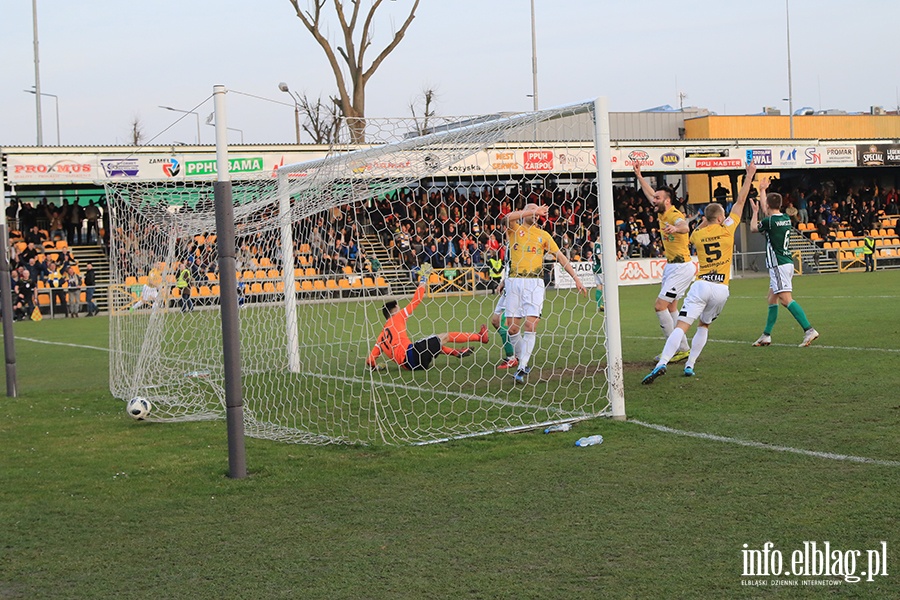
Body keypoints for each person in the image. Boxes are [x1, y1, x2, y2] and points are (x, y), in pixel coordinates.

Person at [642, 162, 757, 384]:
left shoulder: (697, 235)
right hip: (722, 289)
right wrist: (749, 175)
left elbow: (696, 227)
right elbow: (740, 201)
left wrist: (700, 220)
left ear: (705, 218)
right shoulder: (728, 229)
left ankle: (663, 362)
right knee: (704, 325)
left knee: (682, 326)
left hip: (701, 285)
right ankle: (689, 365)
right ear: (722, 217)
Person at [503, 203, 588, 384]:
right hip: (514, 280)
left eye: (538, 213)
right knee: (511, 328)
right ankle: (522, 360)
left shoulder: (543, 235)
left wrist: (576, 278)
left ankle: (521, 367)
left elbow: (560, 256)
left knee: (530, 326)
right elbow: (506, 217)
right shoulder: (515, 229)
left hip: (534, 283)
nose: (536, 215)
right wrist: (533, 210)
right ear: (526, 211)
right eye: (532, 211)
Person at [366, 265, 489, 371]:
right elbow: (417, 300)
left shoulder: (381, 338)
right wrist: (424, 277)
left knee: (431, 343)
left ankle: (456, 352)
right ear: (394, 311)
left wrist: (376, 367)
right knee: (443, 336)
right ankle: (479, 337)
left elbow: (370, 360)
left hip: (412, 365)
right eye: (398, 308)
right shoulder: (398, 317)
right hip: (412, 354)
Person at [749, 178, 820, 348]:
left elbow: (753, 228)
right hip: (786, 261)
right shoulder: (785, 219)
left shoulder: (770, 221)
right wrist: (762, 190)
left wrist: (754, 211)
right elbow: (769, 211)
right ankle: (766, 335)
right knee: (771, 298)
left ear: (767, 205)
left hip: (778, 264)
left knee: (786, 300)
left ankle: (809, 330)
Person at [634, 164, 692, 363]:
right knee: (672, 307)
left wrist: (676, 230)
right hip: (672, 266)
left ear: (667, 201)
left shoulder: (674, 215)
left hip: (681, 267)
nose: (653, 200)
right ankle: (683, 348)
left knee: (660, 306)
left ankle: (673, 348)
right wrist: (639, 176)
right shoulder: (662, 212)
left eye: (657, 198)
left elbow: (684, 226)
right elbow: (650, 193)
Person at [591, 236, 604, 312]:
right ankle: (604, 304)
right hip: (599, 268)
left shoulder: (595, 245)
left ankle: (599, 305)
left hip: (595, 267)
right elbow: (599, 256)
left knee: (599, 286)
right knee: (605, 286)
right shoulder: (598, 245)